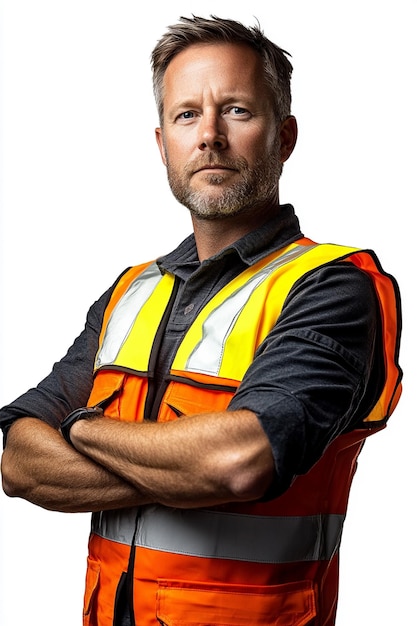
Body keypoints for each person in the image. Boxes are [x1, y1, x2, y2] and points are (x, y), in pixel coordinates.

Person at [0, 14, 402, 626]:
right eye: (187, 114)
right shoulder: (130, 292)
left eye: (236, 110)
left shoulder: (331, 287)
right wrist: (183, 470)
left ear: (285, 137)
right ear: (163, 143)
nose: (209, 134)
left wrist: (81, 429)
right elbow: (20, 462)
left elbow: (239, 461)